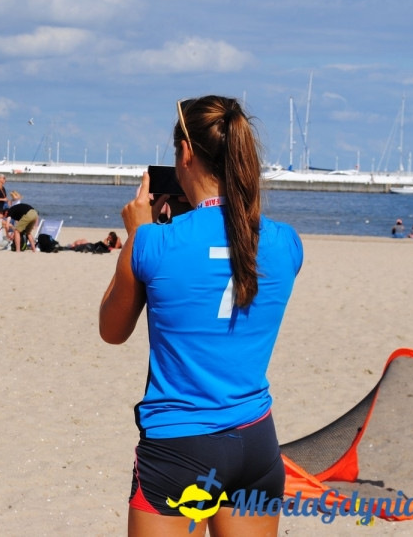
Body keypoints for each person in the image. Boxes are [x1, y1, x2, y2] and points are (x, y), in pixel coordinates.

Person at [99, 96, 303, 537]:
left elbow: (111, 331)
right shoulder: (286, 243)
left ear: (186, 154)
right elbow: (227, 253)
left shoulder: (155, 242)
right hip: (255, 440)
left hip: (180, 444)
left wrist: (138, 235)